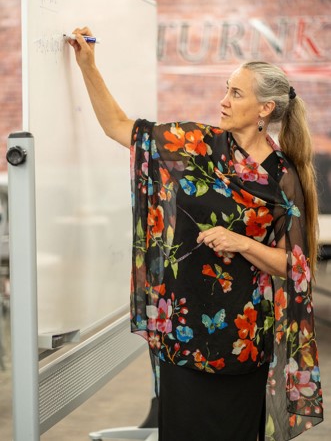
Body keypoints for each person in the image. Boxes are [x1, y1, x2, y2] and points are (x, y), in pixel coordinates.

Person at [69, 28, 323, 441]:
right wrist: (88, 66)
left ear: (265, 109)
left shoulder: (283, 177)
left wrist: (241, 242)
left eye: (237, 94)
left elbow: (294, 266)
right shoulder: (194, 146)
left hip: (243, 339)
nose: (223, 100)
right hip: (182, 333)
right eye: (226, 89)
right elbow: (118, 126)